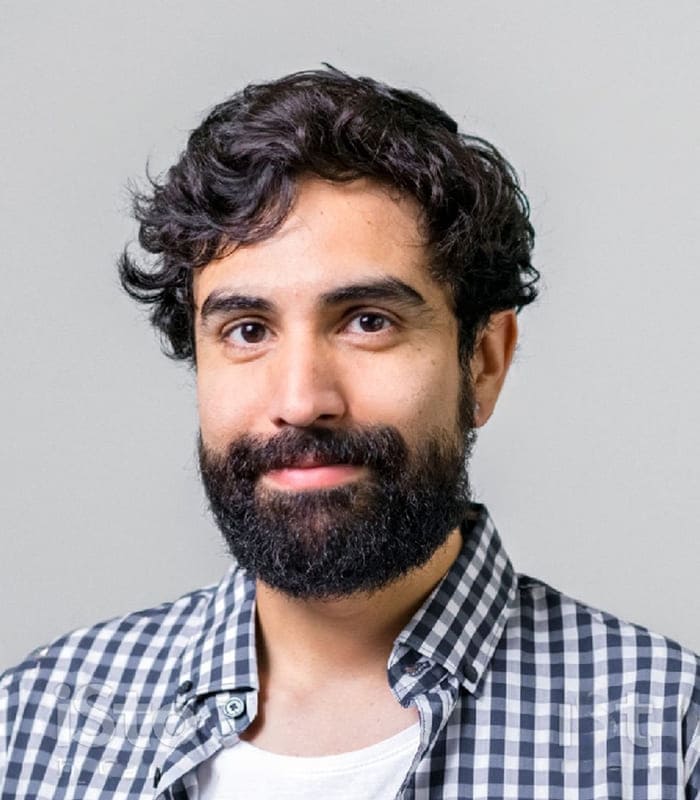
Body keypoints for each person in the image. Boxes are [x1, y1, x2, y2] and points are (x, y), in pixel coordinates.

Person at [1, 66, 698, 799]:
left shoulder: (667, 741)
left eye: (368, 322)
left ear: (484, 362)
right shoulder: (32, 728)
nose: (302, 401)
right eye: (247, 330)